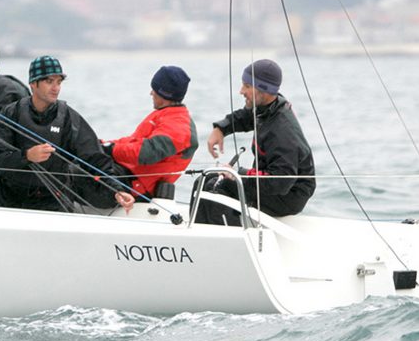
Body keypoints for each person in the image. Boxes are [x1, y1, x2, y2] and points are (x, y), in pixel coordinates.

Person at [0, 55, 135, 213]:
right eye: (49, 81)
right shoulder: (11, 113)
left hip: (54, 201)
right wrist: (27, 156)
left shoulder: (69, 118)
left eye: (59, 82)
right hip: (12, 200)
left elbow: (96, 159)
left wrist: (117, 190)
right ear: (33, 84)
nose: (55, 88)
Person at [192, 59, 315, 225]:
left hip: (289, 195)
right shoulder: (268, 107)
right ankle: (198, 232)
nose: (241, 91)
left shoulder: (282, 130)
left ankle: (230, 241)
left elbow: (280, 182)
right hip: (273, 183)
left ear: (264, 90)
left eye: (247, 86)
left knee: (216, 187)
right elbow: (246, 116)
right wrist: (221, 128)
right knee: (204, 180)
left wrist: (237, 174)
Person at [104, 65, 197, 200]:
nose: (151, 93)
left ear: (164, 93)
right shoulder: (166, 115)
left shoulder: (179, 126)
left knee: (72, 172)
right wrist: (103, 144)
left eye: (154, 89)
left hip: (135, 187)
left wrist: (110, 149)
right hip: (125, 174)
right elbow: (133, 141)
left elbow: (146, 152)